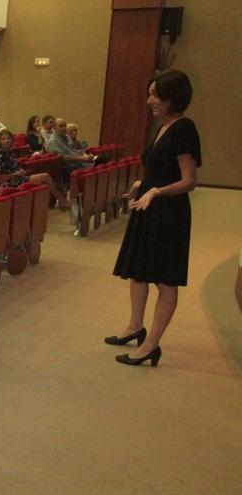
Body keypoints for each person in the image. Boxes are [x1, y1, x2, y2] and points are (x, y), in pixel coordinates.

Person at [110, 70, 201, 367]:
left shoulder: (184, 128)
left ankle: (151, 344)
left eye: (154, 95)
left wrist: (157, 191)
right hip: (148, 205)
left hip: (169, 212)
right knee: (138, 271)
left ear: (172, 98)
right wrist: (141, 184)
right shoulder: (162, 126)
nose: (149, 100)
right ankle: (135, 325)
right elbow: (158, 168)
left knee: (164, 279)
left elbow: (189, 180)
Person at [0, 130, 68, 207]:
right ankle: (62, 200)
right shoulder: (0, 154)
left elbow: (13, 168)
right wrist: (16, 174)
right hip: (11, 182)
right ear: (0, 141)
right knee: (46, 176)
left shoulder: (9, 151)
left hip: (19, 178)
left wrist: (20, 171)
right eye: (3, 139)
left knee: (46, 178)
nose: (6, 141)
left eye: (8, 138)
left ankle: (53, 203)